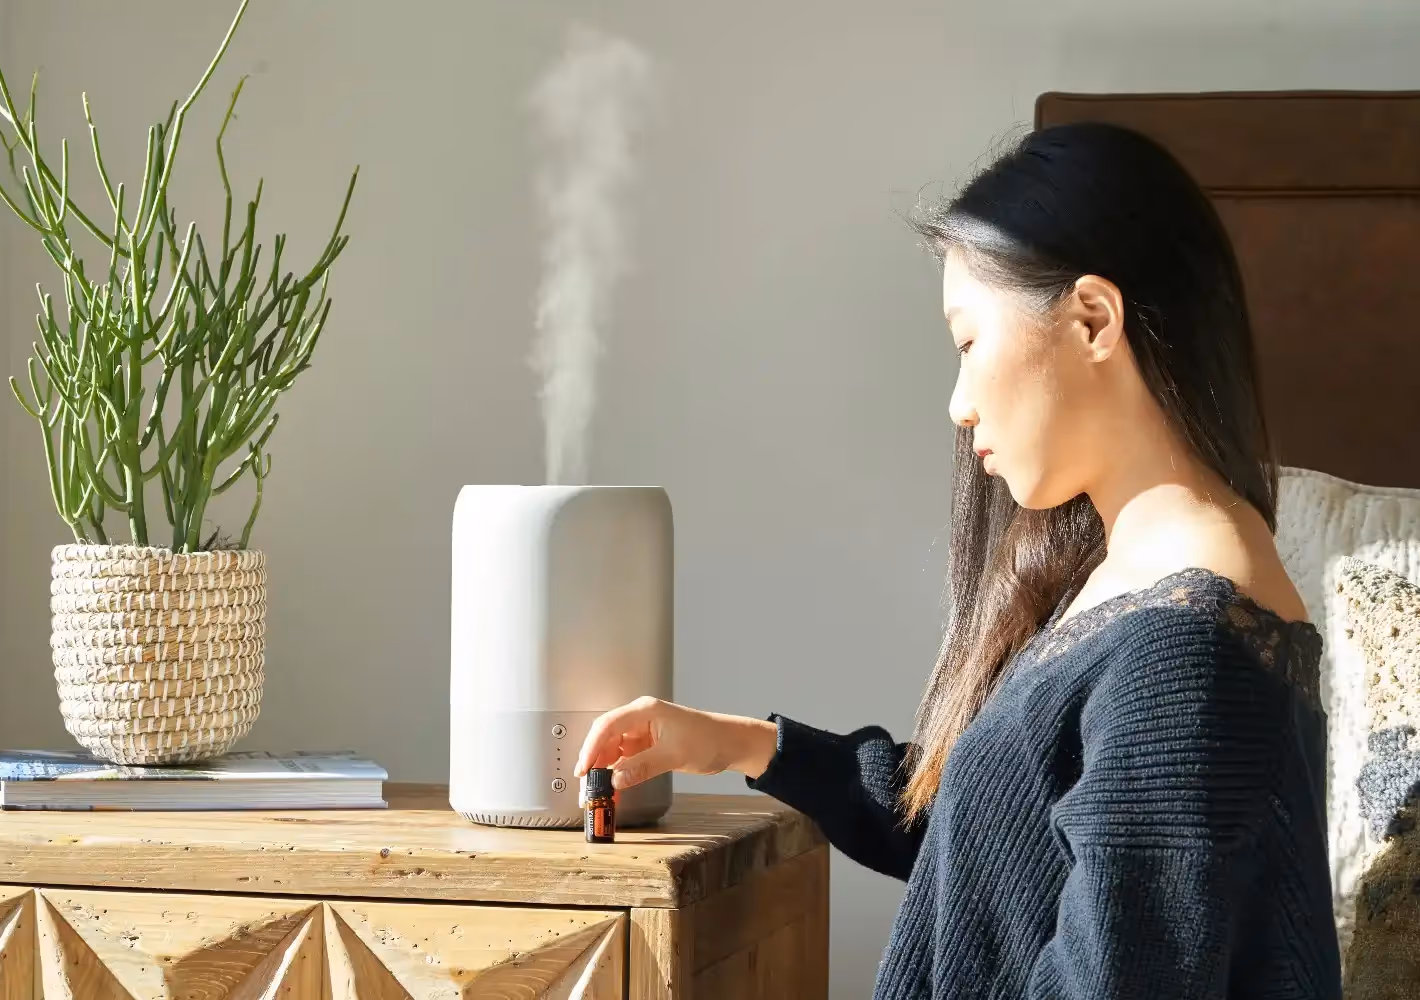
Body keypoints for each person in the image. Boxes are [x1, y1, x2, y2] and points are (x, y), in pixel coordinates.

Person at [573, 122, 1341, 999]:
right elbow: (997, 846)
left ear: (1094, 319)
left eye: (968, 343)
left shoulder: (1186, 649)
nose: (958, 403)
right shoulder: (1144, 584)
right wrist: (745, 745)